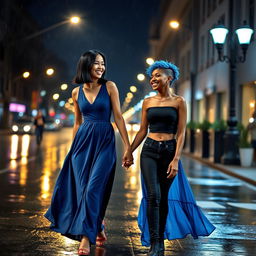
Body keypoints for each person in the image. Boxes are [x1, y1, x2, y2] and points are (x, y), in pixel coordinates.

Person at [45, 50, 133, 256]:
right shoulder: (76, 92)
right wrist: (73, 149)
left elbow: (119, 117)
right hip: (82, 144)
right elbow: (77, 123)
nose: (101, 67)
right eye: (97, 64)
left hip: (105, 141)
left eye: (103, 63)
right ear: (86, 66)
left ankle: (86, 237)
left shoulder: (110, 87)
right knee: (83, 189)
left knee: (93, 189)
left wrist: (128, 147)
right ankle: (98, 226)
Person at [126, 61, 215, 256]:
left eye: (158, 75)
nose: (153, 79)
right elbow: (142, 130)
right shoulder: (148, 102)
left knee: (163, 198)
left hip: (169, 151)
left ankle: (160, 244)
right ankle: (154, 243)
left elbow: (181, 132)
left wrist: (176, 159)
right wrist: (130, 150)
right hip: (149, 150)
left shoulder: (179, 102)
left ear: (169, 78)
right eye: (152, 76)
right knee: (153, 196)